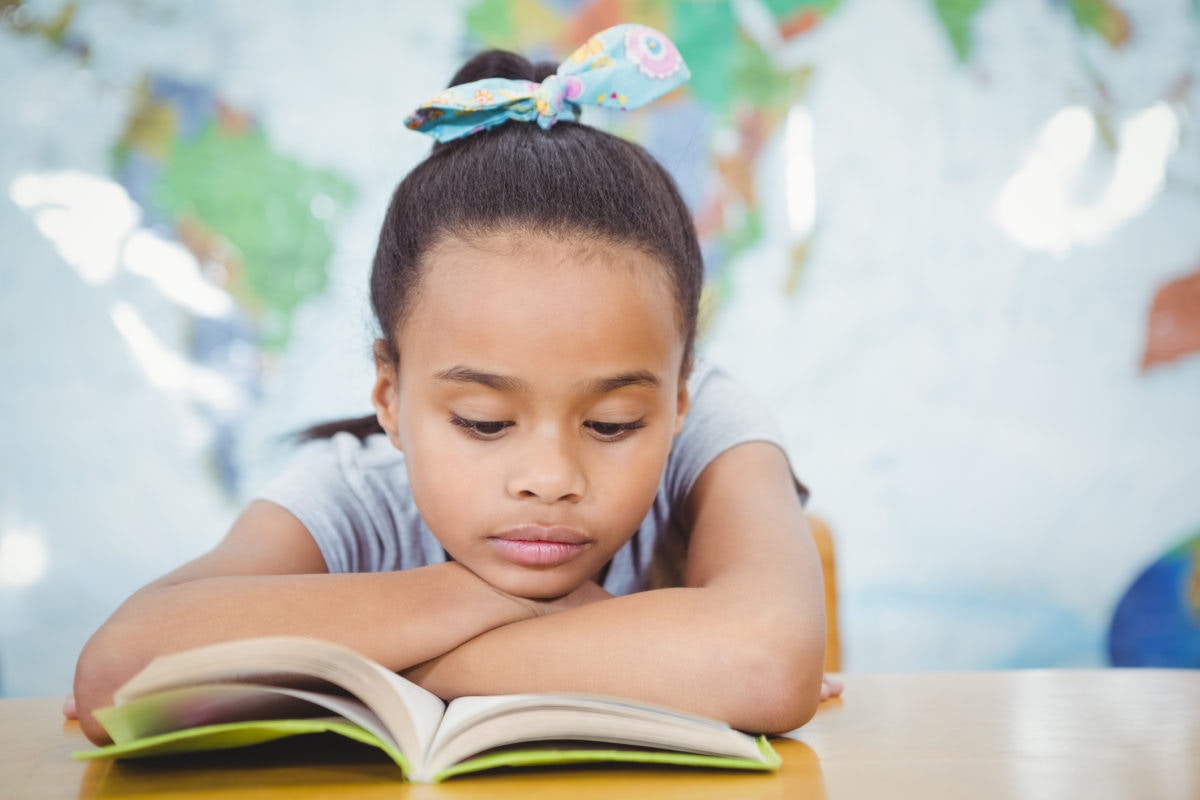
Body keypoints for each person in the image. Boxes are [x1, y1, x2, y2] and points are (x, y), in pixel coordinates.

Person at [70, 24, 840, 746]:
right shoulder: (351, 493)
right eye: (481, 421)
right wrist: (481, 600)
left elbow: (767, 665)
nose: (549, 481)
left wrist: (373, 668)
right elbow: (119, 680)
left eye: (610, 424)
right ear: (388, 395)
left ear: (677, 398)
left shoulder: (712, 425)